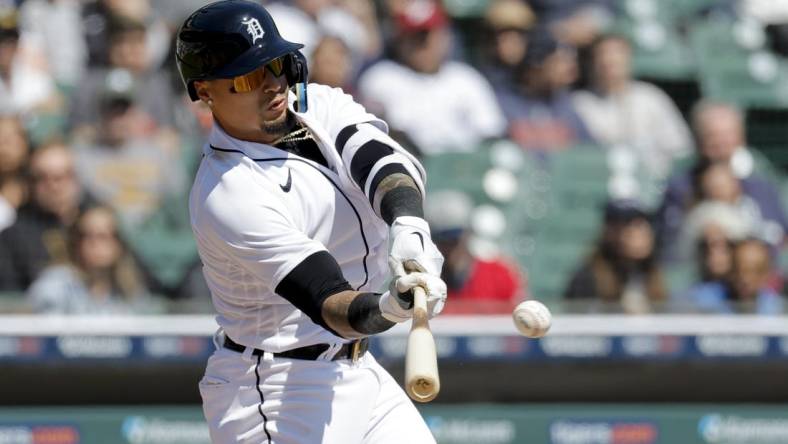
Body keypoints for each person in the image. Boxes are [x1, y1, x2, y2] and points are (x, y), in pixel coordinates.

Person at [175, 2, 447, 443]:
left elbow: (381, 159)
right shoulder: (227, 193)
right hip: (279, 389)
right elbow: (329, 303)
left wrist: (408, 225)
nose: (272, 84)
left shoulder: (316, 102)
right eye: (248, 77)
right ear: (205, 91)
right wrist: (389, 306)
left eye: (276, 64)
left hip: (359, 370)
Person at [358, 0, 505, 156]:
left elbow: (492, 136)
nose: (422, 45)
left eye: (427, 35)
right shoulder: (379, 80)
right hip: (408, 169)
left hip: (467, 171)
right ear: (400, 40)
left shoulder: (467, 79)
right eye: (414, 36)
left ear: (445, 36)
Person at [655, 100, 788, 261]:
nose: (720, 144)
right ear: (697, 140)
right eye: (712, 136)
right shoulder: (679, 187)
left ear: (741, 138)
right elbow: (672, 247)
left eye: (728, 135)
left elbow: (779, 235)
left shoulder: (761, 184)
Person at [572, 33, 692, 181]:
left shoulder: (651, 97)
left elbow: (680, 149)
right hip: (600, 182)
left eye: (616, 56)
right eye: (602, 56)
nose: (609, 62)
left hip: (654, 182)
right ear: (592, 63)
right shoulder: (580, 104)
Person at [27, 205, 161, 314]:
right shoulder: (56, 284)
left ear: (119, 243)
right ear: (76, 242)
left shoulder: (131, 290)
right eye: (87, 235)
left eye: (103, 236)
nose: (95, 243)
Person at [0, 142, 88, 292]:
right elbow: (10, 301)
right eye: (42, 178)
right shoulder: (12, 238)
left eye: (60, 177)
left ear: (76, 179)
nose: (53, 186)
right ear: (31, 184)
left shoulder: (98, 228)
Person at [425, 190, 525, 314]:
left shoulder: (500, 274)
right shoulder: (421, 284)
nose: (446, 247)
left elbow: (519, 325)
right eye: (439, 240)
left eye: (453, 239)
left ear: (468, 234)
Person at [496, 29, 595, 153]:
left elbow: (591, 150)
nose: (570, 70)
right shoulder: (502, 102)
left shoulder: (565, 103)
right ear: (536, 63)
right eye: (561, 61)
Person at [564, 199, 667, 313]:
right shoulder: (587, 279)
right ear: (609, 231)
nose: (639, 232)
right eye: (629, 224)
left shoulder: (652, 275)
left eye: (643, 223)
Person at [685, 238, 784, 314]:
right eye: (739, 269)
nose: (745, 279)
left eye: (755, 271)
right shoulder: (704, 301)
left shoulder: (776, 310)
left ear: (766, 274)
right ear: (731, 268)